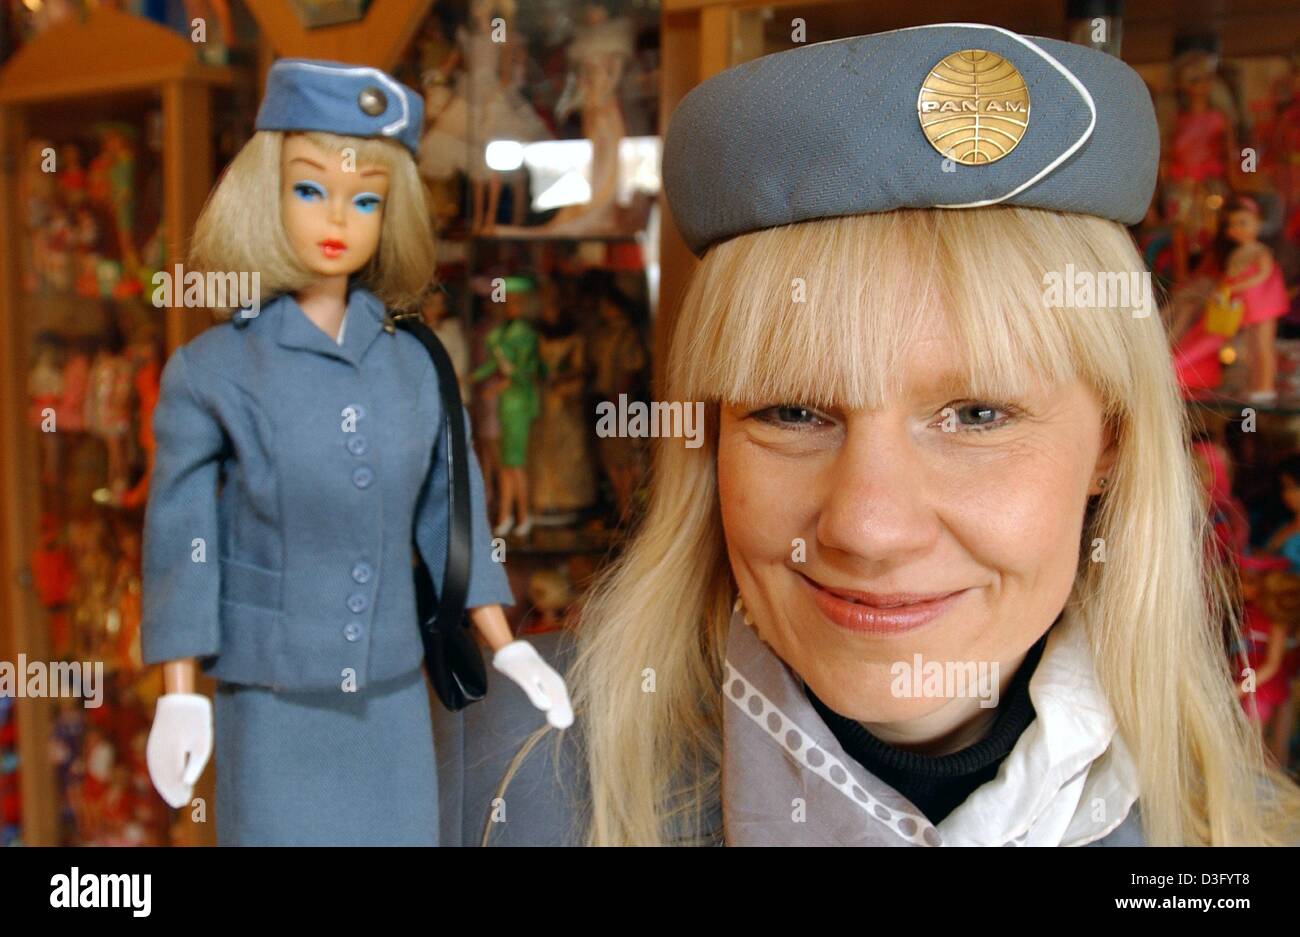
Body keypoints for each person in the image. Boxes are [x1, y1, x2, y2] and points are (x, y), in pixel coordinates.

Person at [433, 24, 1300, 846]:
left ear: (1111, 440)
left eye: (975, 415)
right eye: (793, 412)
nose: (868, 526)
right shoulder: (485, 777)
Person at [141, 59, 571, 846]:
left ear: (390, 213)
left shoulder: (411, 363)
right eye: (310, 188)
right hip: (271, 699)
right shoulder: (215, 373)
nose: (336, 216)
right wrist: (178, 691)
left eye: (364, 197)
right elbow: (183, 541)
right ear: (264, 196)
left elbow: (451, 509)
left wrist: (506, 644)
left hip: (390, 697)